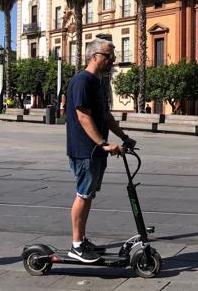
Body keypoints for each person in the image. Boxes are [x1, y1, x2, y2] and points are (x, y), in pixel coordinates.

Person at [66, 38, 136, 263]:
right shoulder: (82, 81)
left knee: (88, 196)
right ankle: (76, 245)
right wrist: (102, 144)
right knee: (83, 195)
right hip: (85, 150)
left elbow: (106, 115)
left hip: (96, 151)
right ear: (94, 56)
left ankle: (82, 239)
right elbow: (82, 115)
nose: (113, 60)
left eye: (113, 56)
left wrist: (124, 137)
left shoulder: (97, 82)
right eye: (109, 55)